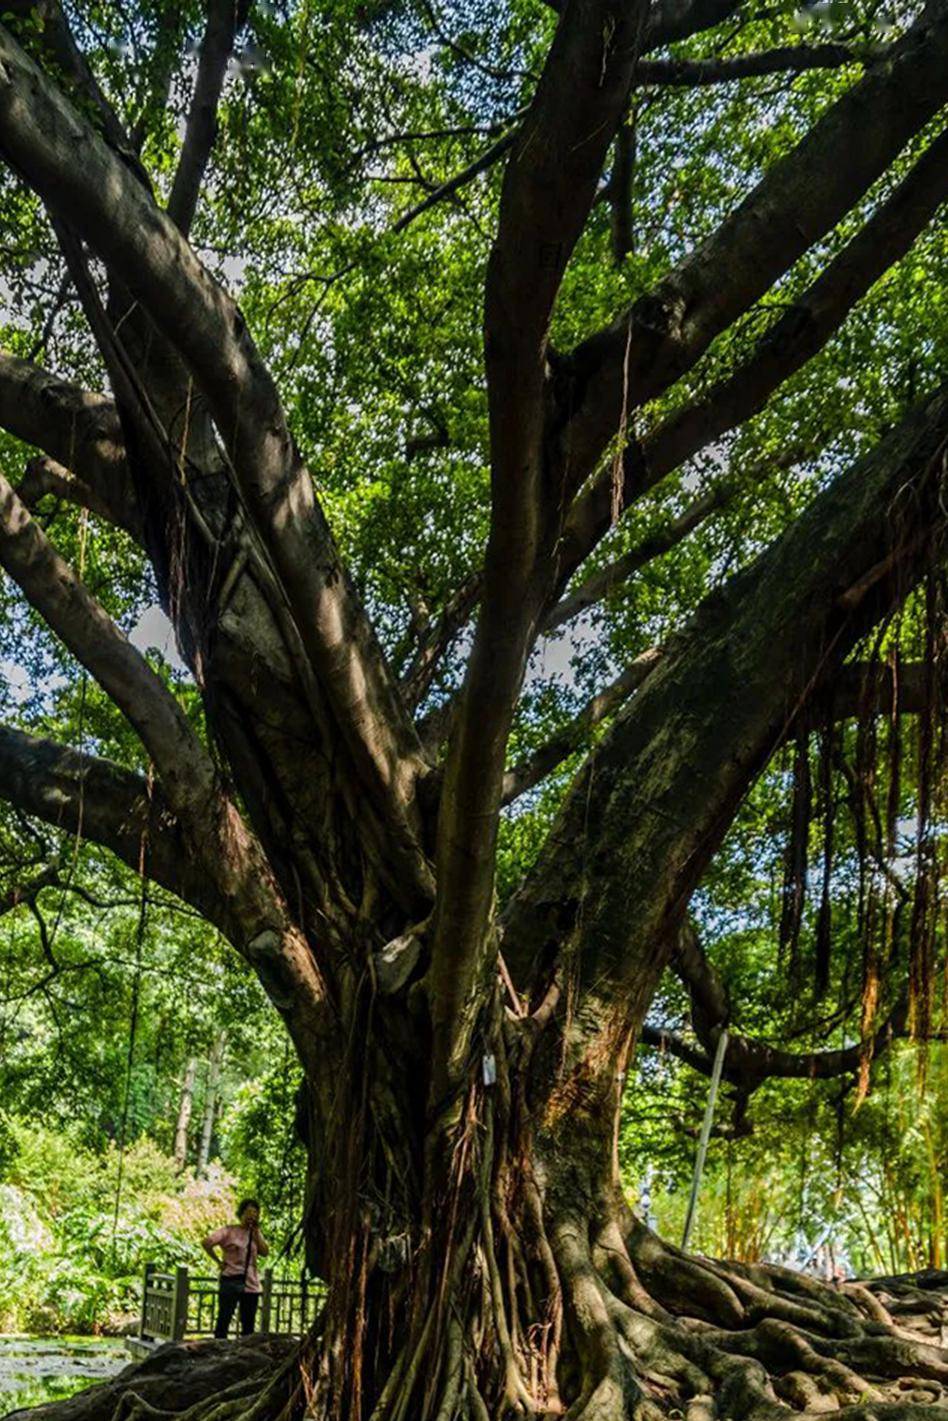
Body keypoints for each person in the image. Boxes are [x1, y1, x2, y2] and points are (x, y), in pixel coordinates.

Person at [203, 1198, 270, 1338]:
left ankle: (244, 1355)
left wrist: (257, 1232)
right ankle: (219, 1350)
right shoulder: (229, 1231)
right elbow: (207, 1242)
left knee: (248, 1323)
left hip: (251, 1283)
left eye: (255, 1213)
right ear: (241, 1214)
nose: (252, 1215)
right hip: (231, 1280)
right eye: (248, 1212)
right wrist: (218, 1261)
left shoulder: (255, 1233)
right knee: (224, 1319)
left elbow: (264, 1252)